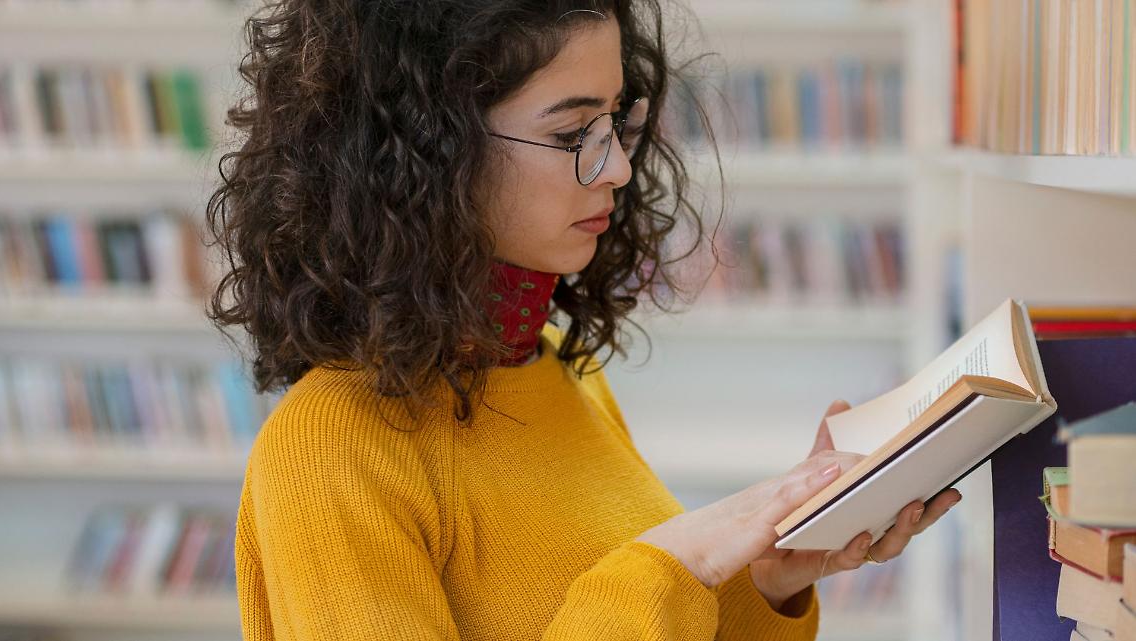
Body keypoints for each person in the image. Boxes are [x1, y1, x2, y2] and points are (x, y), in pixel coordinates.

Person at [205, 1, 962, 639]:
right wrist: (672, 565)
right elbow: (640, 596)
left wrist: (767, 576)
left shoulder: (554, 362)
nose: (619, 170)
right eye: (573, 136)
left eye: (615, 125)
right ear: (424, 151)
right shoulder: (330, 448)